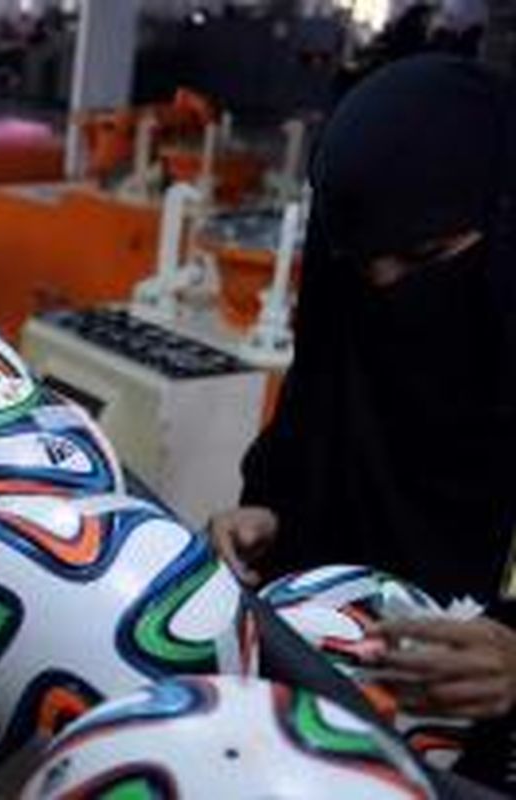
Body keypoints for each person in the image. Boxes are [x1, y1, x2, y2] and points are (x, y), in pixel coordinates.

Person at [208, 56, 516, 791]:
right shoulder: (353, 323)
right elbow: (310, 448)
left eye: (424, 258)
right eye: (361, 268)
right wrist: (274, 516)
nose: (390, 294)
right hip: (331, 735)